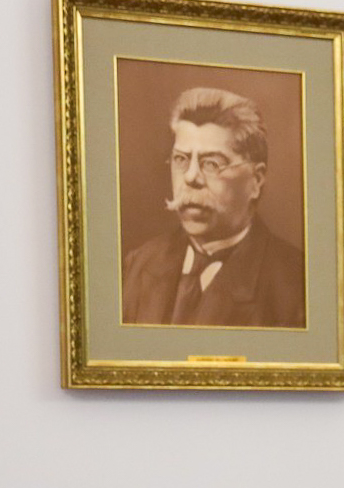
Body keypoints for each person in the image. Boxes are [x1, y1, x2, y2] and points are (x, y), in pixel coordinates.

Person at [121, 87, 306, 329]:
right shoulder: (139, 264)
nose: (191, 177)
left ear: (256, 180)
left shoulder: (297, 287)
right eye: (181, 159)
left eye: (211, 163)